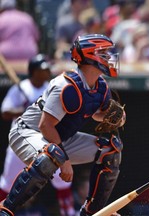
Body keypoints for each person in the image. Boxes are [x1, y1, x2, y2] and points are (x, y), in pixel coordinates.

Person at [0, 34, 125, 216]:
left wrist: (117, 117)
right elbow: (45, 125)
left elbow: (99, 114)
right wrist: (65, 161)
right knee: (53, 155)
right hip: (26, 132)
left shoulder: (101, 87)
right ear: (90, 56)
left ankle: (93, 210)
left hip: (59, 139)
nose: (109, 57)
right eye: (103, 53)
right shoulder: (66, 86)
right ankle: (6, 210)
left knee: (111, 149)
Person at [0, 54, 76, 216]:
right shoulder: (21, 88)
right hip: (20, 141)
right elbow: (5, 112)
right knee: (7, 184)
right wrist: (25, 110)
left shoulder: (50, 87)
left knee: (61, 179)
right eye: (43, 69)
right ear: (34, 71)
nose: (47, 72)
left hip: (44, 142)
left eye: (48, 69)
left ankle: (68, 212)